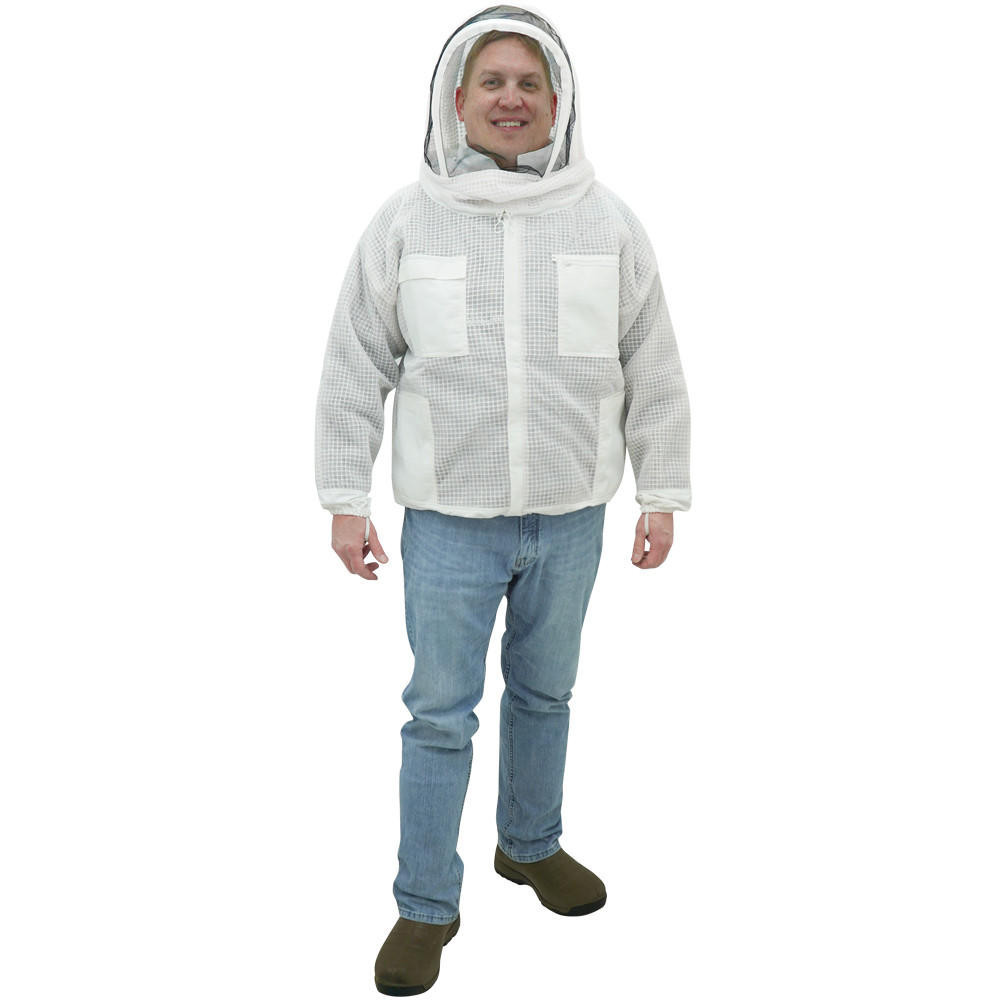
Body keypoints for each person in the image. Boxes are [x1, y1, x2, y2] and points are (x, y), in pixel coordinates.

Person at [314, 6, 691, 994]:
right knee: (440, 713)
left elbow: (651, 363)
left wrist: (661, 490)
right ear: (457, 100)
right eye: (492, 82)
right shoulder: (406, 221)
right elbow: (356, 363)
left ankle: (529, 845)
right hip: (448, 519)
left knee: (545, 694)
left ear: (559, 103)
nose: (511, 98)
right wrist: (344, 496)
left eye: (530, 83)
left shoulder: (608, 222)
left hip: (573, 515)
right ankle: (423, 905)